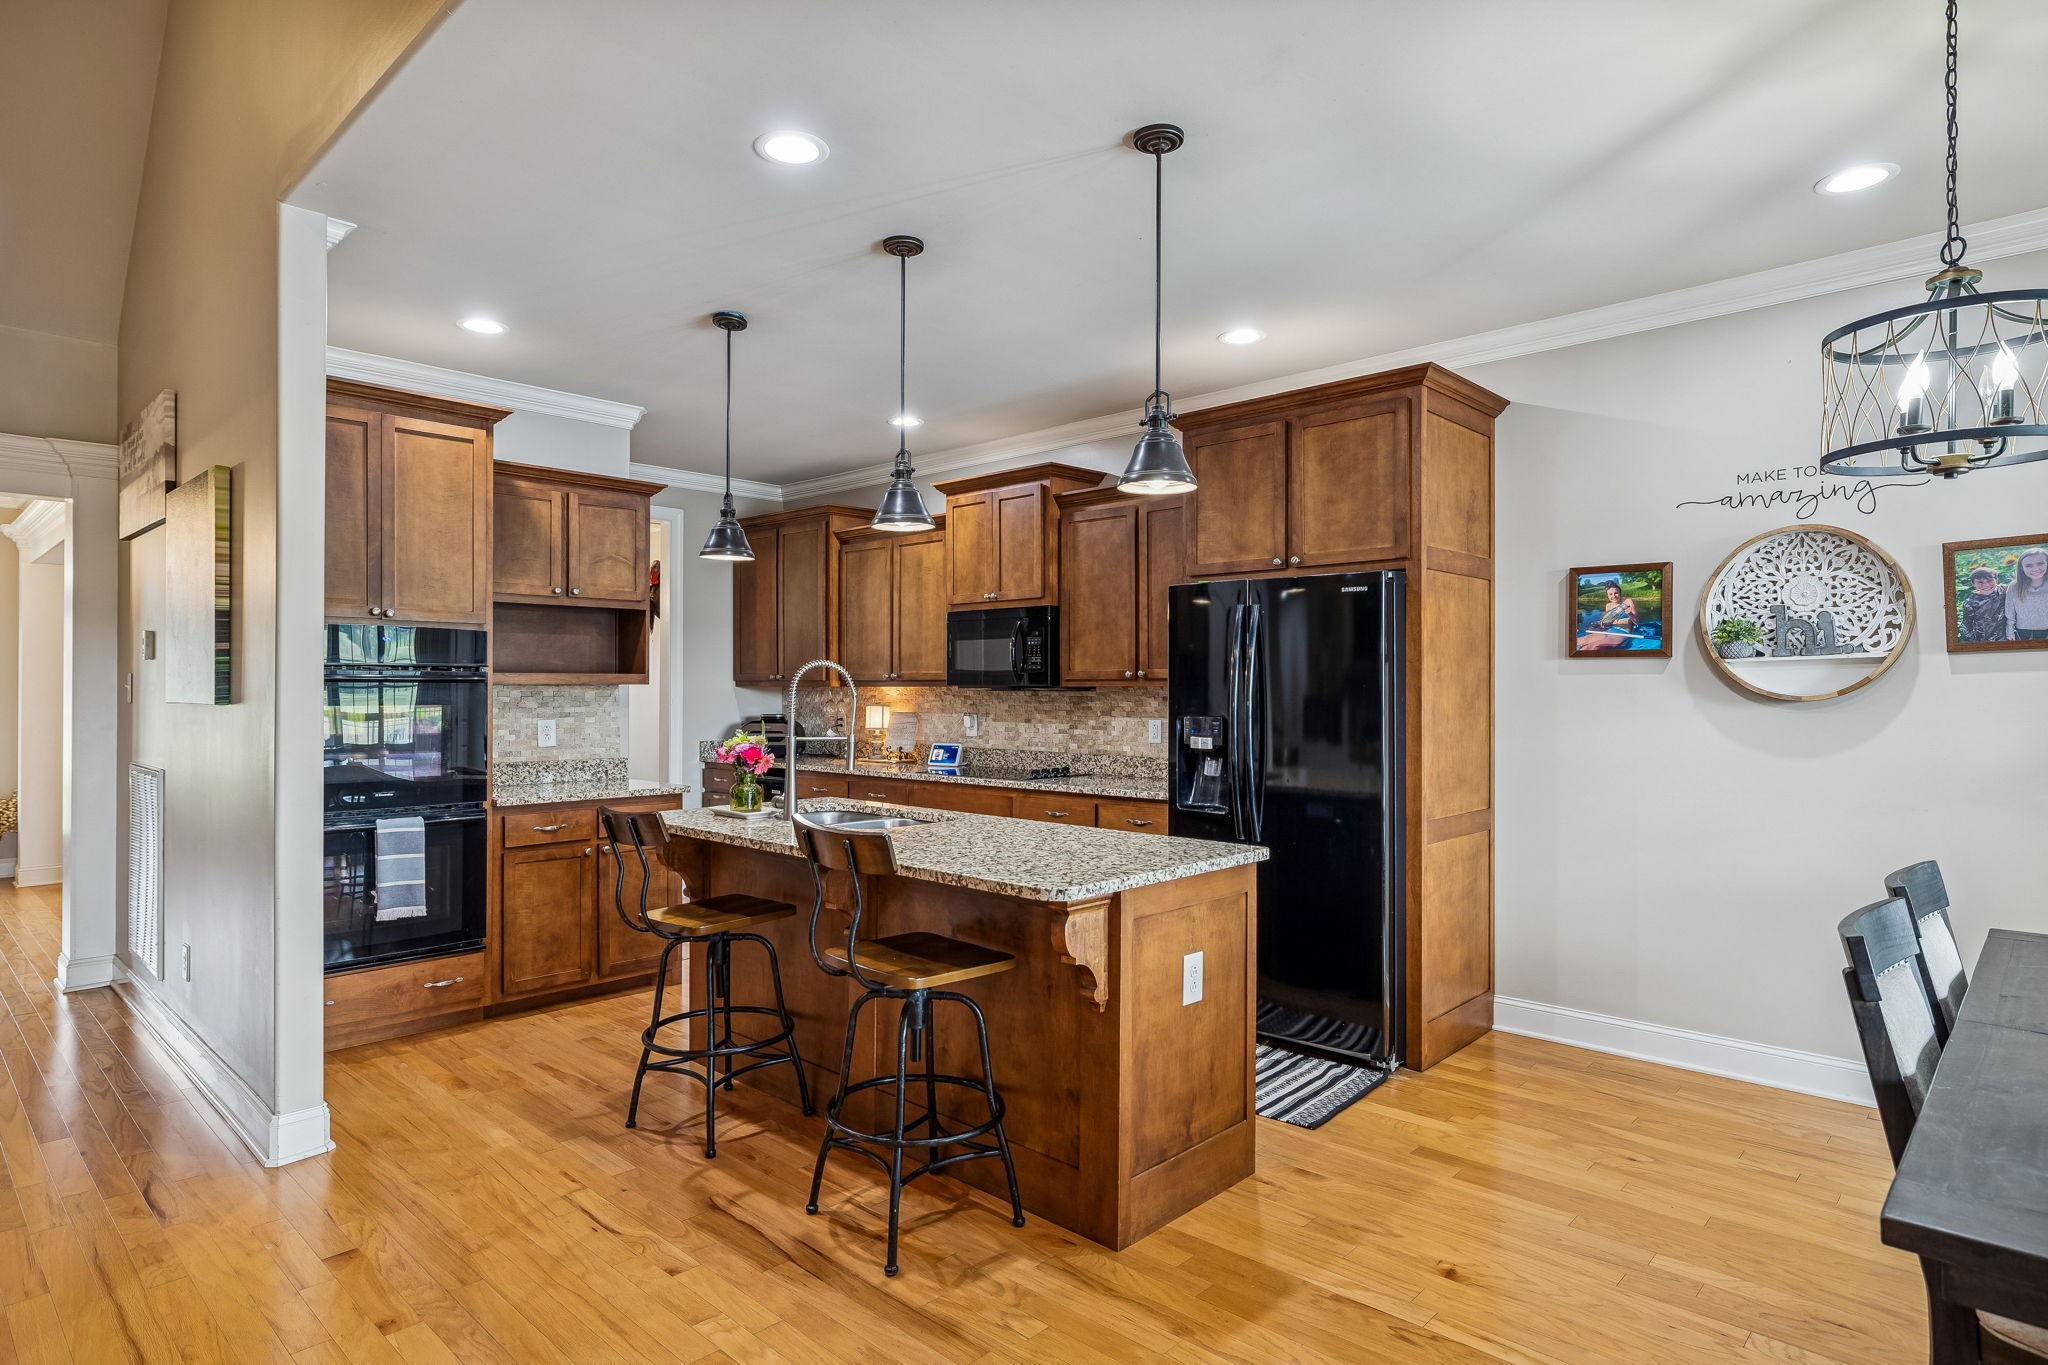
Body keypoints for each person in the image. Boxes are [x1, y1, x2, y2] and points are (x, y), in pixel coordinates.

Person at [1960, 565, 2010, 642]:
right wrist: (1973, 641)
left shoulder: (2003, 590)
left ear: (1996, 580)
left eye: (1990, 580)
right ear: (1973, 584)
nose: (1986, 585)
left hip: (2004, 636)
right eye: (1980, 582)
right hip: (1983, 639)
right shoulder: (1971, 603)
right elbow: (1966, 626)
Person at [2007, 548, 2048, 641]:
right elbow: (2010, 612)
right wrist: (2009, 632)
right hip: (2021, 630)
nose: (2035, 569)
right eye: (2029, 565)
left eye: (2040, 563)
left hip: (2045, 629)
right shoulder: (2014, 586)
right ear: (2021, 567)